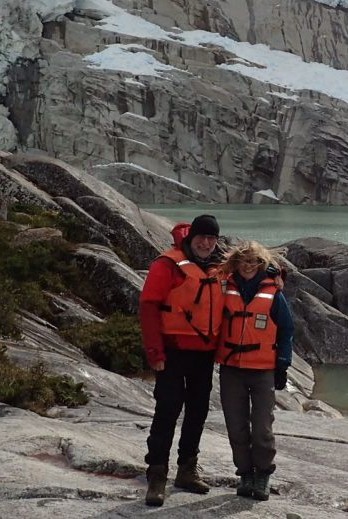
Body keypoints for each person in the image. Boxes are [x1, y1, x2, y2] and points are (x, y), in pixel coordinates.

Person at [139, 214, 224, 507]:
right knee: (167, 411)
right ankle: (157, 474)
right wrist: (155, 353)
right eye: (202, 237)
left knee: (197, 412)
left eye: (212, 239)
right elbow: (149, 306)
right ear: (191, 237)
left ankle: (187, 469)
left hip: (204, 356)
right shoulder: (168, 264)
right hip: (173, 353)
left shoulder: (218, 268)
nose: (206, 243)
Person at [215, 241, 295, 502]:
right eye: (244, 261)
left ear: (262, 265)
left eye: (254, 262)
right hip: (231, 369)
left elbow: (286, 330)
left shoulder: (274, 294)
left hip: (262, 370)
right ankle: (245, 474)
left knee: (262, 428)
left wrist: (282, 365)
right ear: (236, 263)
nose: (249, 266)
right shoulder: (225, 287)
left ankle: (263, 473)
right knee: (236, 427)